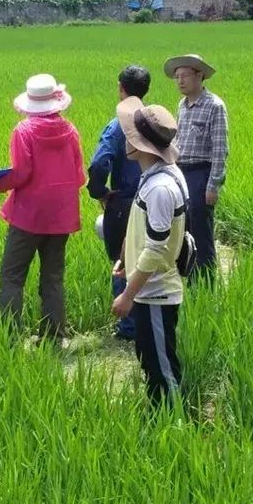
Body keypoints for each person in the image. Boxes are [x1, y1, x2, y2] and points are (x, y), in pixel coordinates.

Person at [0, 74, 85, 343]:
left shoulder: (24, 131)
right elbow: (80, 177)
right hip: (61, 217)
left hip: (28, 216)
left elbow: (21, 174)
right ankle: (54, 336)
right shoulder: (71, 131)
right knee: (53, 277)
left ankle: (9, 338)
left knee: (12, 276)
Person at [111, 96, 188, 407]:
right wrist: (126, 260)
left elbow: (156, 248)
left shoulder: (159, 188)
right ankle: (161, 418)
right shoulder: (157, 176)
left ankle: (175, 425)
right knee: (149, 357)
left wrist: (127, 294)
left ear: (140, 146)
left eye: (130, 135)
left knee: (161, 368)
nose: (125, 139)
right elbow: (143, 234)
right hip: (149, 288)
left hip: (155, 293)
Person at [87, 65, 149, 341]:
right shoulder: (152, 119)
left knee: (121, 262)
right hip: (152, 198)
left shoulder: (118, 125)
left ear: (120, 88)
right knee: (148, 259)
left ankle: (127, 327)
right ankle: (146, 318)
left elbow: (99, 163)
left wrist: (99, 191)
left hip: (124, 203)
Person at [164, 54, 228, 280]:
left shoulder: (214, 106)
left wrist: (213, 186)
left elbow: (220, 149)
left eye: (184, 76)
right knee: (183, 230)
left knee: (202, 232)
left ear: (199, 76)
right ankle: (190, 279)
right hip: (181, 173)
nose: (180, 81)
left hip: (201, 174)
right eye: (177, 77)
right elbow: (176, 141)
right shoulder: (182, 105)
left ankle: (208, 283)